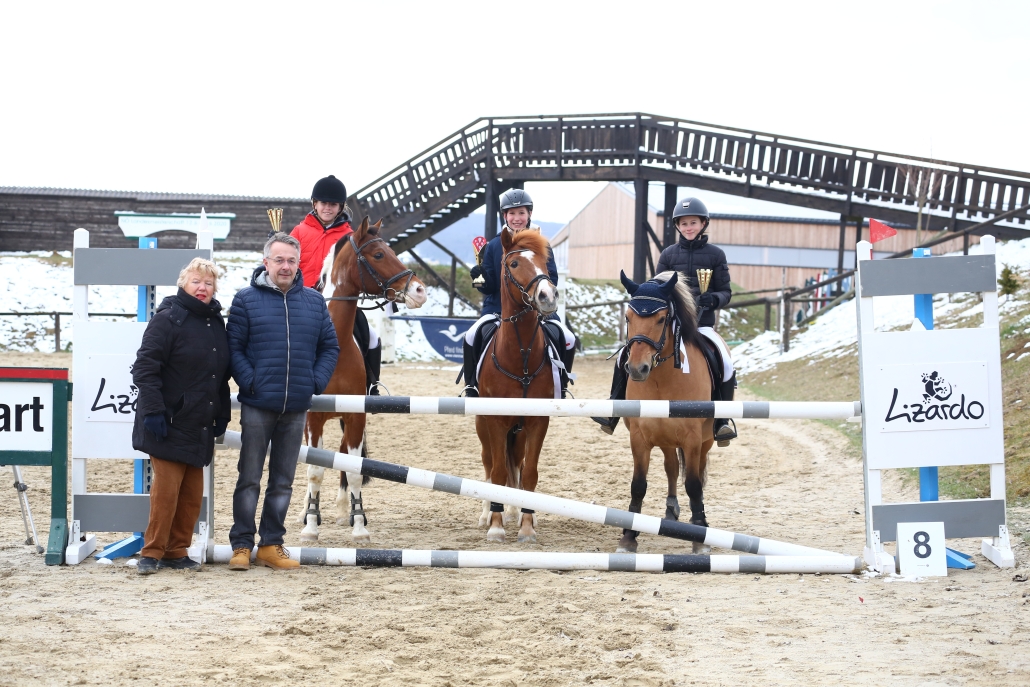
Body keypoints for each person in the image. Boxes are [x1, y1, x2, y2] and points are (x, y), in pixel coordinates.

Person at [226, 233, 340, 571]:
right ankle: (242, 545)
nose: (286, 266)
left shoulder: (314, 302)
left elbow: (329, 347)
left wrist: (314, 382)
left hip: (296, 407)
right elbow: (234, 349)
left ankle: (271, 544)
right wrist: (250, 381)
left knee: (283, 481)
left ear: (298, 262)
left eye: (291, 260)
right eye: (279, 260)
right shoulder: (246, 299)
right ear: (267, 263)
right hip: (258, 404)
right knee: (248, 477)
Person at [593, 196, 738, 444]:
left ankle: (722, 420)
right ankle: (614, 409)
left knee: (724, 360)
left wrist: (712, 300)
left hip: (702, 325)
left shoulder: (716, 255)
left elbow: (726, 291)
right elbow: (656, 287)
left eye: (693, 222)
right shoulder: (669, 254)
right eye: (683, 223)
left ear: (703, 224)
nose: (688, 227)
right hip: (671, 323)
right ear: (678, 226)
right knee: (622, 357)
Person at [131, 258, 230, 575]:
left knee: (190, 496)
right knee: (166, 492)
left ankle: (176, 550)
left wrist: (223, 412)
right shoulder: (167, 319)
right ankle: (152, 551)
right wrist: (154, 410)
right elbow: (145, 368)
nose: (202, 288)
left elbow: (220, 374)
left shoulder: (216, 323)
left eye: (209, 283)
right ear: (183, 283)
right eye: (196, 281)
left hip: (199, 421)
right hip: (169, 420)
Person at [462, 188, 577, 398]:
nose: (517, 218)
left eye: (521, 213)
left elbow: (552, 277)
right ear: (504, 216)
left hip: (537, 309)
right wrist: (479, 279)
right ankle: (471, 386)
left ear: (529, 215)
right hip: (498, 308)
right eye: (512, 213)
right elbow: (488, 287)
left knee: (567, 337)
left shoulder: (541, 245)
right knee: (471, 336)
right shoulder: (494, 245)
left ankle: (561, 384)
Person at [290, 174, 384, 395]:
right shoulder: (299, 232)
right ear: (315, 203)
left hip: (340, 304)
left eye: (333, 204)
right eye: (324, 203)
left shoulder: (351, 236)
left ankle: (371, 386)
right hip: (303, 301)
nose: (328, 208)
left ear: (341, 206)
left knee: (371, 336)